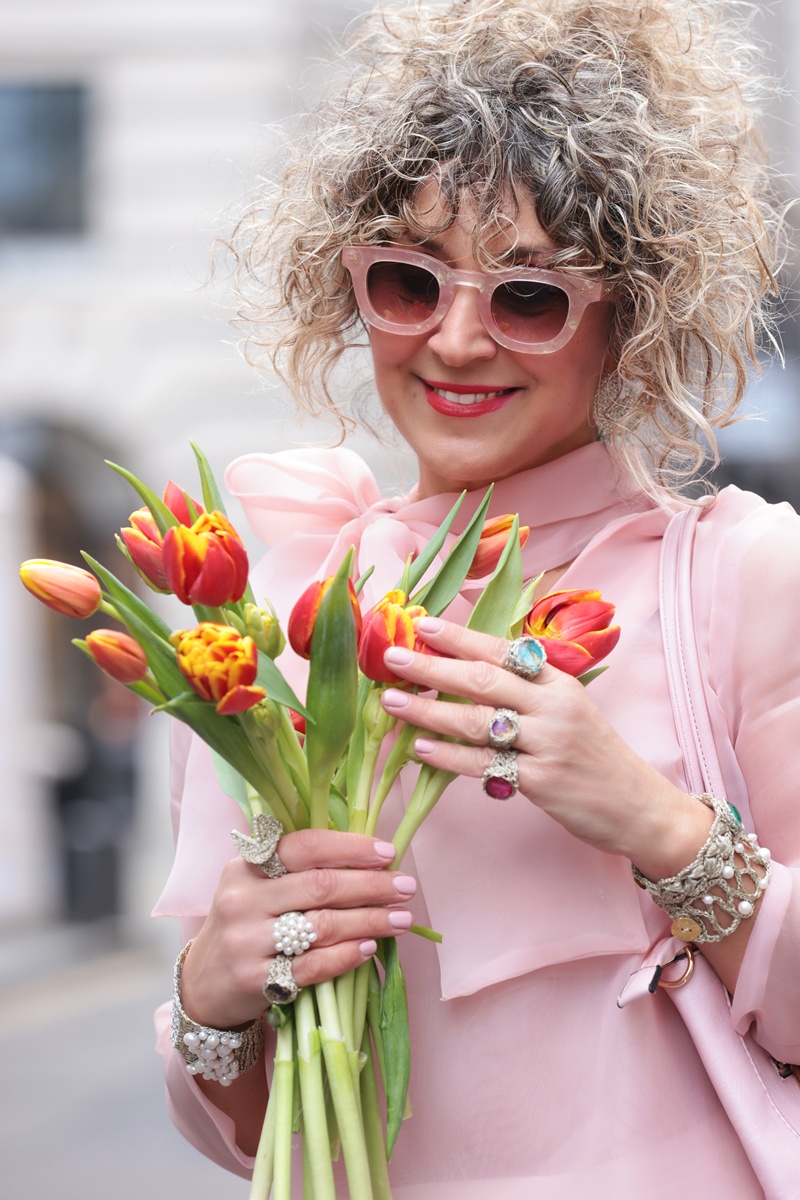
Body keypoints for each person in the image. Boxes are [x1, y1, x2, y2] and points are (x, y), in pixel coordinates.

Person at [153, 0, 800, 1194]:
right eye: (407, 281)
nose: (455, 341)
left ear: (628, 314)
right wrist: (213, 993)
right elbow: (245, 1129)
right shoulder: (288, 593)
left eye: (526, 297)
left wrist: (652, 823)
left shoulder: (738, 577)